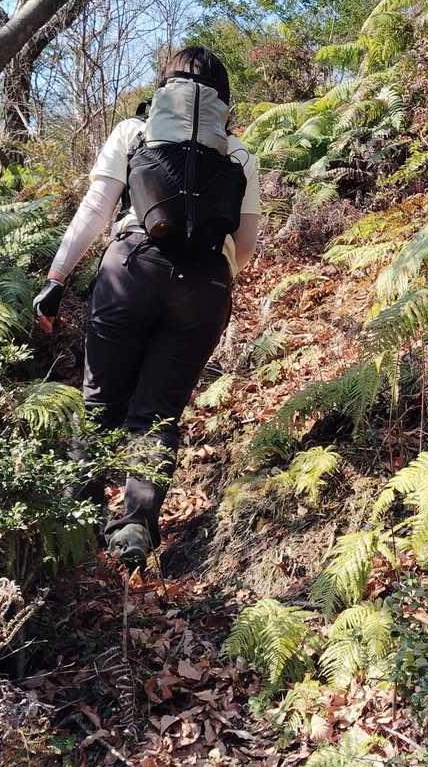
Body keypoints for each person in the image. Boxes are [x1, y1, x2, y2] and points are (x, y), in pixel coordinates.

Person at [32, 46, 261, 566]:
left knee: (98, 405)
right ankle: (135, 524)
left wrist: (56, 278)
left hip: (129, 270)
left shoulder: (133, 133)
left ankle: (78, 526)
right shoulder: (239, 153)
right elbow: (246, 244)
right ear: (222, 96)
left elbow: (94, 211)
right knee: (157, 414)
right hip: (205, 284)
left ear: (163, 87)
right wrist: (211, 277)